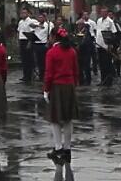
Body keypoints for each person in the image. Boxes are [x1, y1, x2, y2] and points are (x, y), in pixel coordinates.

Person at [44, 27, 80, 164]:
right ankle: (67, 148)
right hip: (69, 85)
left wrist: (46, 89)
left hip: (57, 86)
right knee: (68, 119)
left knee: (55, 118)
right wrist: (74, 84)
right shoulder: (72, 51)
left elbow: (49, 73)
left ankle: (58, 147)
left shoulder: (51, 52)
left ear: (54, 37)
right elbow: (76, 70)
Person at [95, 8, 120, 87]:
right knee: (101, 64)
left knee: (107, 64)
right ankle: (103, 80)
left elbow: (114, 33)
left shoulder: (110, 21)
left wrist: (110, 45)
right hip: (99, 45)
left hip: (106, 46)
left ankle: (109, 81)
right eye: (102, 12)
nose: (103, 13)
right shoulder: (99, 20)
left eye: (105, 12)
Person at [16, 8, 38, 83]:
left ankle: (29, 75)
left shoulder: (30, 21)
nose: (23, 14)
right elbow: (19, 31)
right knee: (23, 59)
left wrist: (29, 42)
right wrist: (18, 41)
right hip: (22, 40)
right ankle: (25, 75)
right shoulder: (20, 22)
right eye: (22, 13)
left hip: (27, 40)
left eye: (25, 13)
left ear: (28, 13)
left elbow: (32, 33)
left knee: (29, 59)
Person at [33, 11, 52, 82]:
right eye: (39, 17)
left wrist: (48, 43)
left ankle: (44, 75)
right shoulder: (36, 24)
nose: (40, 19)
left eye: (41, 17)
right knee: (38, 61)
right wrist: (38, 26)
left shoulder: (47, 25)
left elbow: (50, 34)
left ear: (44, 18)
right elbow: (31, 25)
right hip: (36, 43)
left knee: (43, 61)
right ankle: (40, 75)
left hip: (43, 44)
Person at [74, 16, 94, 86]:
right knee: (79, 66)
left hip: (86, 51)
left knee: (86, 67)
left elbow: (86, 40)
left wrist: (79, 45)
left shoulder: (86, 31)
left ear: (82, 25)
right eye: (78, 25)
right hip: (79, 52)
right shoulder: (76, 31)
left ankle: (88, 80)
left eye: (79, 25)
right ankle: (81, 80)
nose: (78, 26)